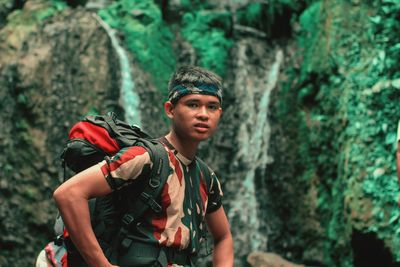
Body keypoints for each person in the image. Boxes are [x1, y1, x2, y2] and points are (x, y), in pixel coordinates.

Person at [53, 66, 234, 267]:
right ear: (170, 109)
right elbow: (68, 194)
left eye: (212, 107)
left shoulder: (206, 177)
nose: (203, 114)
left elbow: (223, 236)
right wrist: (100, 264)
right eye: (193, 104)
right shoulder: (145, 157)